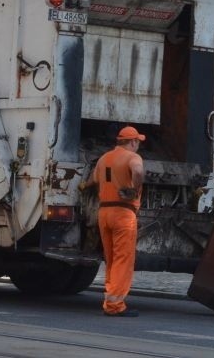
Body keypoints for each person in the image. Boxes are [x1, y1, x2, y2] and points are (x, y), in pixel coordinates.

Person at [79, 125, 145, 317]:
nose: (138, 145)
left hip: (104, 213)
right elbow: (139, 172)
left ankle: (111, 298)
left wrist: (83, 186)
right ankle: (115, 305)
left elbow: (94, 179)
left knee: (111, 259)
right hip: (124, 213)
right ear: (132, 141)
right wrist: (134, 189)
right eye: (138, 142)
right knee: (123, 260)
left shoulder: (104, 158)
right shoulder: (133, 157)